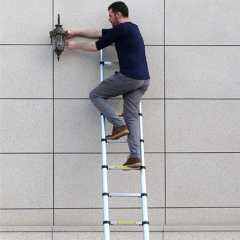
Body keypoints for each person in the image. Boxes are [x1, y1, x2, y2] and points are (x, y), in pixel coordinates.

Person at [66, 1, 150, 167]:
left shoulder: (121, 29)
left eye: (110, 15)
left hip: (130, 77)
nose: (109, 19)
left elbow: (95, 46)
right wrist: (76, 32)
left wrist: (76, 45)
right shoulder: (132, 28)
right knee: (132, 118)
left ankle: (118, 125)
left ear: (118, 14)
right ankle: (135, 156)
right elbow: (99, 32)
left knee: (95, 95)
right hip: (143, 80)